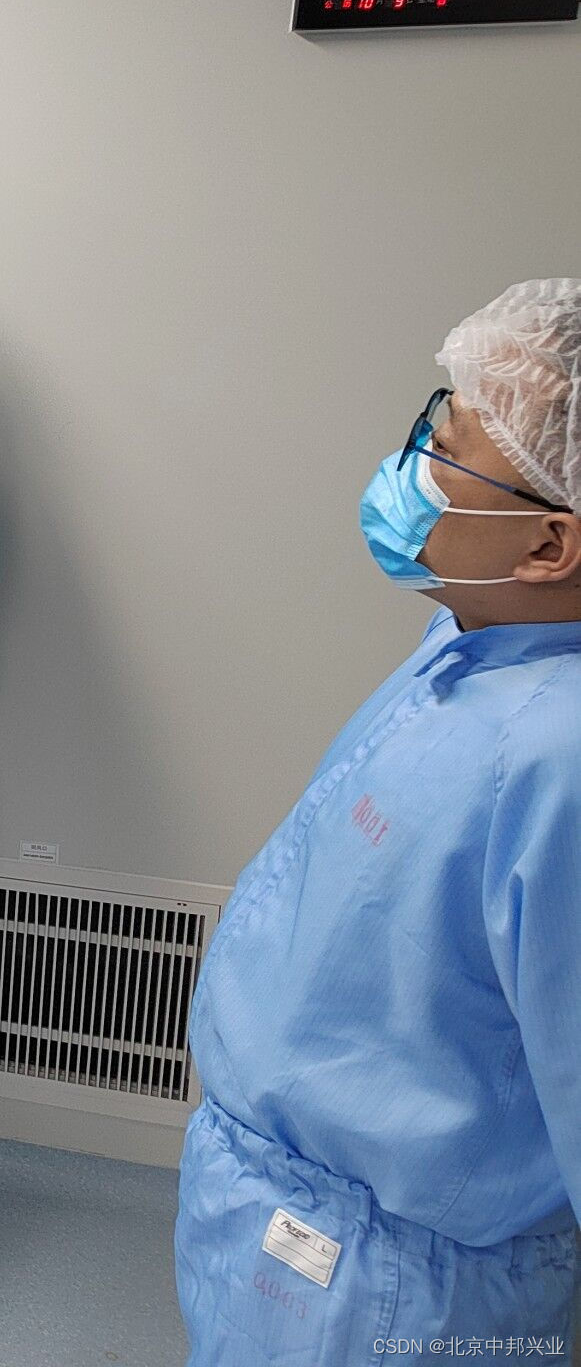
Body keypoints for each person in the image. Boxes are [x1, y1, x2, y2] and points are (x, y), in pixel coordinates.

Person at [176, 278, 581, 1363]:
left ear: (548, 546)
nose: (411, 471)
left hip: (388, 1292)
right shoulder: (472, 640)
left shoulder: (558, 759)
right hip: (286, 1218)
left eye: (446, 452)